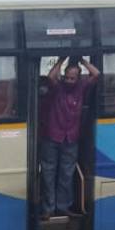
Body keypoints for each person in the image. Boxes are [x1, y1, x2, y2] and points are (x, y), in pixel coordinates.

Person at [41, 55, 100, 219]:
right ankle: (48, 208)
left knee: (66, 174)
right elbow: (51, 76)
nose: (69, 81)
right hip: (52, 136)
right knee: (48, 173)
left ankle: (62, 206)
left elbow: (96, 75)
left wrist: (83, 61)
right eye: (66, 77)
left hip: (71, 137)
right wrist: (60, 60)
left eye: (72, 78)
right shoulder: (57, 87)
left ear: (78, 78)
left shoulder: (82, 87)